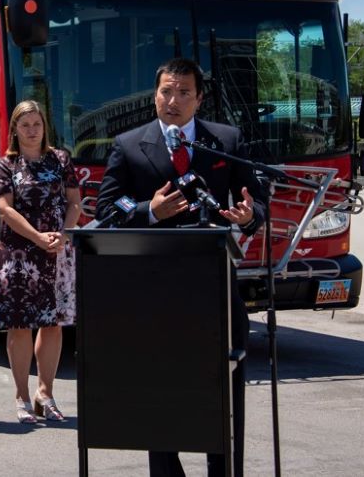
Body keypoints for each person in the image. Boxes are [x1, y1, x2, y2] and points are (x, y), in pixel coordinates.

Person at [96, 57, 267, 477]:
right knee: (162, 400)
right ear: (155, 95)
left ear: (199, 98)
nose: (173, 101)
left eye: (183, 93)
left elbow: (257, 202)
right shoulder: (129, 144)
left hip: (214, 293)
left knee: (220, 400)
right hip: (154, 296)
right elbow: (106, 210)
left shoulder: (223, 141)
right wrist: (149, 211)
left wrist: (249, 216)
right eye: (166, 92)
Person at [0, 100, 81, 423]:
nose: (32, 130)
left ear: (44, 127)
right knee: (20, 325)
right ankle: (22, 397)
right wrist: (38, 237)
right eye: (25, 125)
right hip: (19, 255)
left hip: (57, 250)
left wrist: (64, 235)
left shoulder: (61, 159)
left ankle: (45, 394)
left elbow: (74, 202)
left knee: (53, 324)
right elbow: (4, 209)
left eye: (37, 124)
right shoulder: (7, 164)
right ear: (14, 129)